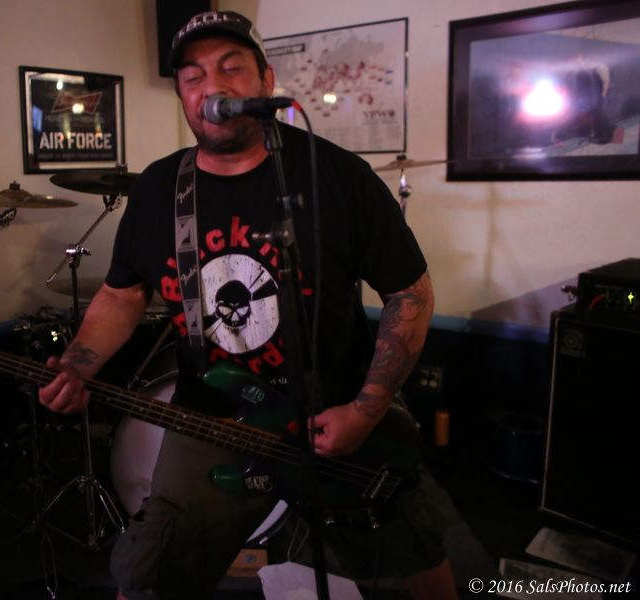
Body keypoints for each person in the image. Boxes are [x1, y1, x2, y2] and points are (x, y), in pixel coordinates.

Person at [39, 10, 455, 600]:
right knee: (145, 577)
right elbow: (123, 293)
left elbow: (409, 293)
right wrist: (81, 363)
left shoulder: (338, 176)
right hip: (211, 417)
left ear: (266, 81)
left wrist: (368, 408)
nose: (212, 86)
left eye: (231, 68)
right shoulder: (160, 189)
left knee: (417, 559)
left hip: (338, 413)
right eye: (193, 76)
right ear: (182, 95)